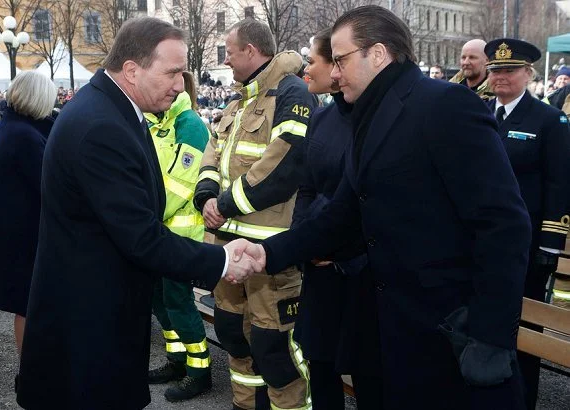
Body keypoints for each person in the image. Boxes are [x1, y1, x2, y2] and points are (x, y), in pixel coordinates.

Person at [233, 5, 532, 409]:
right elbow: (344, 213)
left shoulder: (445, 105)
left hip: (452, 333)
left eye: (340, 60)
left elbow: (503, 223)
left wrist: (489, 337)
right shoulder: (368, 114)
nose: (333, 73)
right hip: (394, 330)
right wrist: (269, 252)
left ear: (377, 54)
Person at [15, 17, 258, 410]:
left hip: (101, 312)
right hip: (89, 324)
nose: (181, 85)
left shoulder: (113, 111)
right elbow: (141, 235)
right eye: (173, 73)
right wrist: (223, 260)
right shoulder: (101, 126)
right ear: (132, 69)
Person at [193, 18, 316, 410]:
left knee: (274, 349)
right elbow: (215, 150)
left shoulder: (292, 93)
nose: (226, 60)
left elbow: (282, 168)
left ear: (251, 50)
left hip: (270, 253)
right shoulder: (238, 99)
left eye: (229, 52)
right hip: (228, 249)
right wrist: (206, 195)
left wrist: (223, 205)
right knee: (233, 335)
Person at [294, 27, 379, 410]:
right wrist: (305, 241)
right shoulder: (322, 119)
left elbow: (369, 201)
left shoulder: (374, 120)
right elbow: (308, 189)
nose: (306, 69)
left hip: (362, 275)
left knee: (369, 376)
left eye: (313, 61)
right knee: (321, 367)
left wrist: (347, 255)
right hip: (320, 271)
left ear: (336, 67)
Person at [485, 38, 570, 410]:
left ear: (528, 74)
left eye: (509, 70)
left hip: (528, 243)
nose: (500, 77)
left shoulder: (548, 119)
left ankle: (522, 400)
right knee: (485, 325)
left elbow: (560, 183)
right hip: (483, 240)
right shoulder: (482, 113)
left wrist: (551, 245)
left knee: (524, 330)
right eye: (495, 71)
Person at [0, 71, 55, 390]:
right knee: (29, 306)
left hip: (16, 232)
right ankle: (32, 373)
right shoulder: (23, 134)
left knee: (28, 306)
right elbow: (48, 183)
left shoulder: (14, 127)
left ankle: (32, 370)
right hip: (25, 236)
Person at [144, 83, 213, 400]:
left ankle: (199, 372)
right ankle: (178, 360)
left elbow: (179, 184)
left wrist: (144, 216)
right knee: (161, 301)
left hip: (179, 235)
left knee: (180, 304)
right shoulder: (157, 122)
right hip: (158, 232)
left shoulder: (190, 125)